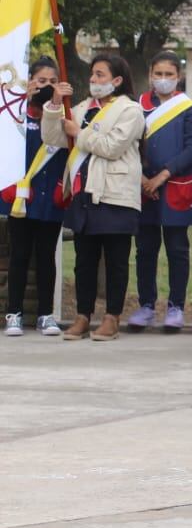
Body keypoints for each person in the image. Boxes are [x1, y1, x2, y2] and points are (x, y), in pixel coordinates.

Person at [42, 54, 144, 341]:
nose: (93, 80)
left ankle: (112, 317)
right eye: (92, 74)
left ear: (117, 80)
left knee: (116, 260)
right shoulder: (83, 108)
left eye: (100, 75)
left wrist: (80, 133)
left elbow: (112, 146)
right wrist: (53, 105)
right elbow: (54, 137)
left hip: (115, 194)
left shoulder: (130, 110)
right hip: (83, 193)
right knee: (84, 260)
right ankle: (83, 315)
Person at [127, 51, 192, 333]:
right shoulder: (138, 107)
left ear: (178, 76)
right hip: (144, 187)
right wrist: (144, 178)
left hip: (174, 187)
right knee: (145, 249)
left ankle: (176, 307)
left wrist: (162, 176)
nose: (162, 80)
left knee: (177, 249)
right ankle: (146, 305)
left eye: (168, 74)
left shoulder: (188, 108)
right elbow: (130, 143)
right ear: (150, 75)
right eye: (157, 74)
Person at [2, 57, 68, 337]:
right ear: (30, 82)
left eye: (52, 82)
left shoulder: (64, 116)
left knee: (46, 257)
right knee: (19, 255)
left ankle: (45, 314)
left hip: (50, 198)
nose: (47, 87)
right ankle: (14, 313)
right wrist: (21, 100)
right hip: (21, 199)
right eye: (42, 81)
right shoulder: (15, 114)